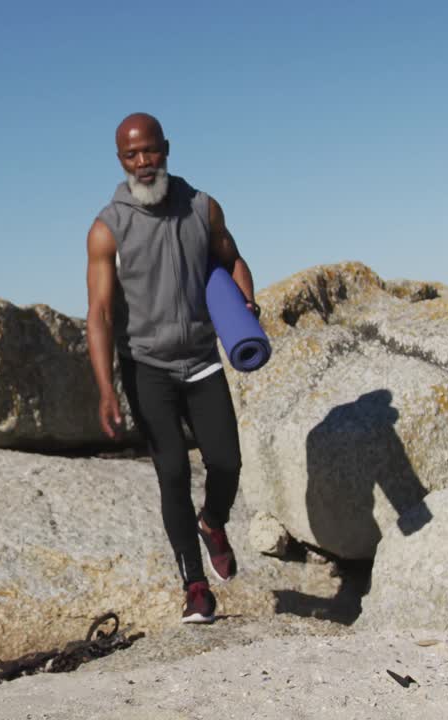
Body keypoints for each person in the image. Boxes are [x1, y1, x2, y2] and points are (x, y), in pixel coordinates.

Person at [85, 112, 259, 624]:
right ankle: (196, 586)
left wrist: (246, 303)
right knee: (173, 474)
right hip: (147, 366)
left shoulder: (202, 208)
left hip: (202, 359)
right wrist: (105, 389)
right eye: (131, 155)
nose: (142, 163)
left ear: (166, 148)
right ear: (121, 160)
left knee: (226, 462)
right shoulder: (107, 227)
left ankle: (214, 522)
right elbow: (99, 313)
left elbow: (232, 260)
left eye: (150, 151)